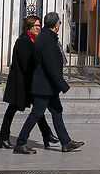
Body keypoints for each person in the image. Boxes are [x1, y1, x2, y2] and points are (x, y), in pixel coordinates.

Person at [15, 9, 85, 154]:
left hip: (48, 86)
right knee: (36, 113)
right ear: (56, 25)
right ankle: (20, 142)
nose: (59, 24)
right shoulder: (47, 40)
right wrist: (63, 84)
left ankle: (66, 142)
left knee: (57, 111)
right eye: (59, 22)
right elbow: (50, 65)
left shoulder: (46, 37)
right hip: (44, 85)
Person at [0, 13, 57, 150]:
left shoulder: (33, 40)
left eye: (39, 25)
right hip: (20, 83)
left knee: (38, 109)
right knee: (12, 110)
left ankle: (46, 133)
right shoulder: (23, 41)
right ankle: (3, 138)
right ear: (28, 27)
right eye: (35, 26)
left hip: (28, 82)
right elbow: (28, 64)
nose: (38, 28)